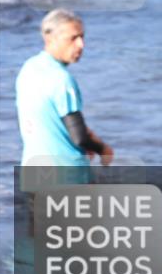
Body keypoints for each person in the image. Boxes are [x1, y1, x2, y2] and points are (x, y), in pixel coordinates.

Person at [15, 10, 114, 174]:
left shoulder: (28, 69)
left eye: (82, 37)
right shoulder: (62, 79)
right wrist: (103, 149)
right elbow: (79, 136)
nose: (81, 45)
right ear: (50, 38)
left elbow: (47, 119)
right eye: (73, 38)